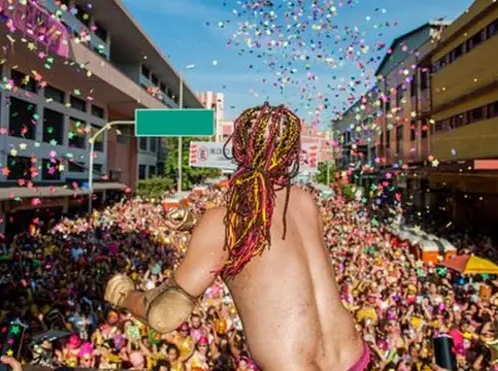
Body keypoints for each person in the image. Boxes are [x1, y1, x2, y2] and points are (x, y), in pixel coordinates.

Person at [105, 103, 369, 370]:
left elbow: (164, 316)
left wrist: (124, 295)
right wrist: (196, 224)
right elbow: (272, 242)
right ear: (291, 155)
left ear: (238, 149)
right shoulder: (305, 203)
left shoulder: (223, 223)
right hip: (354, 358)